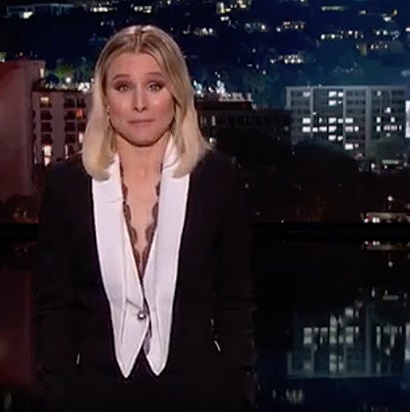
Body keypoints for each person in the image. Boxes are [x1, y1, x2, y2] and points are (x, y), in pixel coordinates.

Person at [35, 24, 256, 412]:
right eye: (123, 87)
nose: (140, 103)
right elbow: (55, 306)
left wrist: (241, 389)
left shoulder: (219, 180)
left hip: (201, 397)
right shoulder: (67, 185)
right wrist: (58, 392)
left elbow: (235, 301)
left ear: (177, 94)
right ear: (105, 98)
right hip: (93, 398)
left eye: (155, 86)